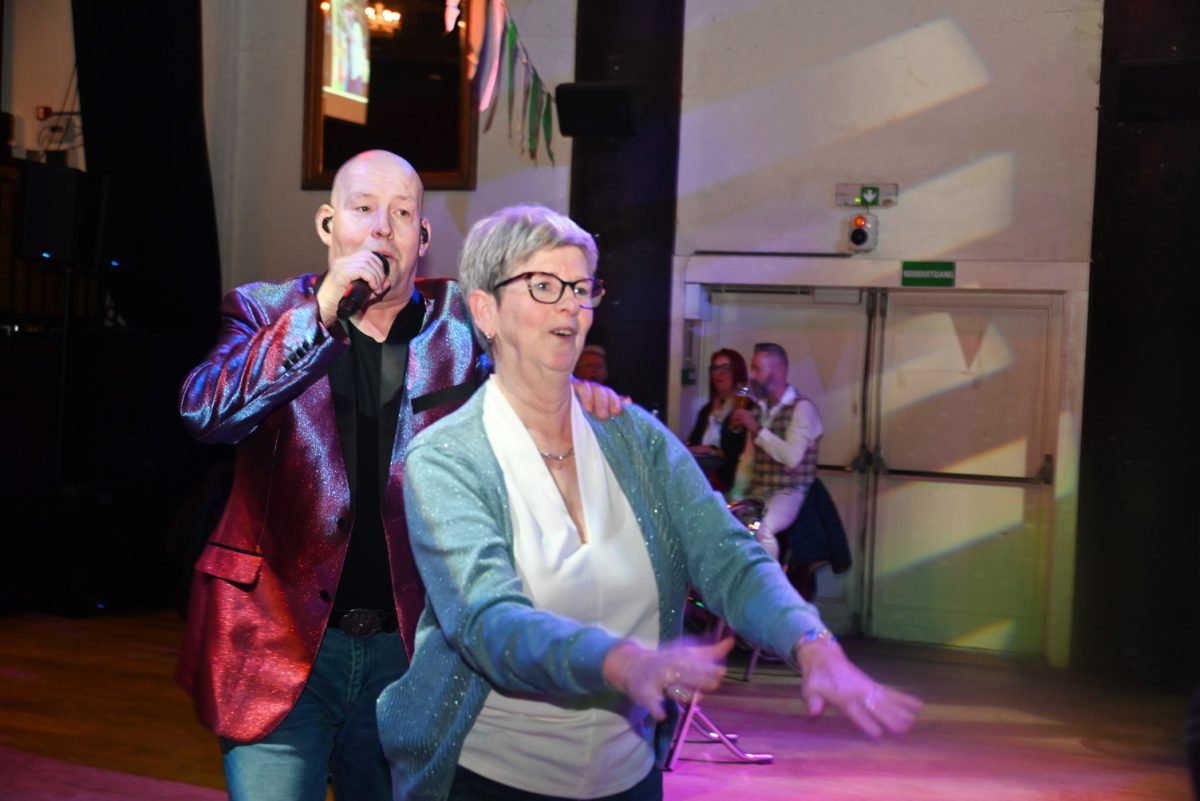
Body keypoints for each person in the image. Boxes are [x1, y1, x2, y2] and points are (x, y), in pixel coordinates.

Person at [378, 205, 920, 801]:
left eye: (581, 288)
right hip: (490, 782)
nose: (570, 306)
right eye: (544, 285)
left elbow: (728, 556)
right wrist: (622, 663)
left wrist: (811, 641)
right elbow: (486, 622)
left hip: (629, 779)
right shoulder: (447, 457)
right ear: (485, 310)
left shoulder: (635, 439)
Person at [176, 152, 621, 801]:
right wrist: (319, 314)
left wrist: (577, 397)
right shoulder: (260, 309)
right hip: (274, 639)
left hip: (409, 651)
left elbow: (536, 386)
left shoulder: (464, 323)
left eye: (403, 213)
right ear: (328, 223)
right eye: (363, 209)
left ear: (424, 236)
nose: (382, 227)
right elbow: (205, 413)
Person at [729, 342, 823, 562]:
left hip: (789, 491)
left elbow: (792, 458)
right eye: (752, 368)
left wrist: (756, 429)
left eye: (757, 369)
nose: (751, 376)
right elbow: (748, 460)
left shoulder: (802, 409)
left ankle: (769, 581)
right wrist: (736, 496)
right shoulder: (760, 408)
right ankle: (736, 580)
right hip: (758, 490)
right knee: (723, 523)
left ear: (779, 371)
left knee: (761, 527)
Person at [685, 348, 749, 494]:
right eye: (714, 368)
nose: (718, 374)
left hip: (727, 478)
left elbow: (736, 452)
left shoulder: (745, 408)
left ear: (737, 371)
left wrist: (711, 450)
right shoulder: (707, 410)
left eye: (725, 368)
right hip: (702, 472)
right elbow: (694, 442)